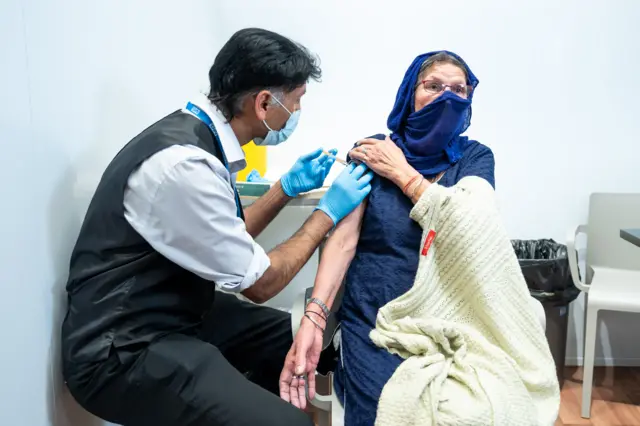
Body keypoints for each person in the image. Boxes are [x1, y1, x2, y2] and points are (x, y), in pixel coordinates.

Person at [61, 28, 373, 426]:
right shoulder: (183, 165)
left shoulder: (198, 137)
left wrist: (286, 188)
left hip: (174, 311)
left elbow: (229, 234)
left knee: (299, 340)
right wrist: (326, 213)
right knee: (289, 424)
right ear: (264, 103)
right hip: (120, 351)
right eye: (295, 103)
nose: (295, 115)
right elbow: (261, 284)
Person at [280, 51, 495, 425]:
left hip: (451, 317)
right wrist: (315, 316)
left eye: (458, 90)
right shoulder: (373, 150)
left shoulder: (475, 158)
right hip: (377, 318)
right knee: (386, 409)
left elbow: (468, 228)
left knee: (472, 409)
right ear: (410, 93)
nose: (447, 97)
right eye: (433, 87)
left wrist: (399, 171)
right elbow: (343, 243)